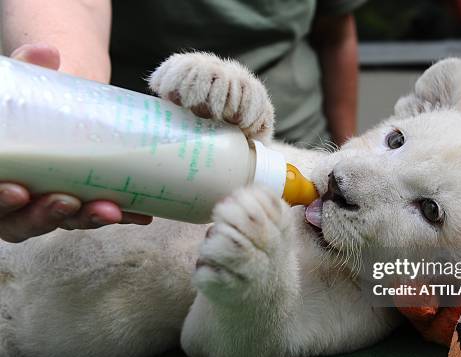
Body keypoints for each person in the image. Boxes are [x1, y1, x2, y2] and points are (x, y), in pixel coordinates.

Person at [0, 0, 364, 242]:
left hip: (301, 142)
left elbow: (335, 32)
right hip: (146, 150)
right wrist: (60, 92)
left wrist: (348, 146)